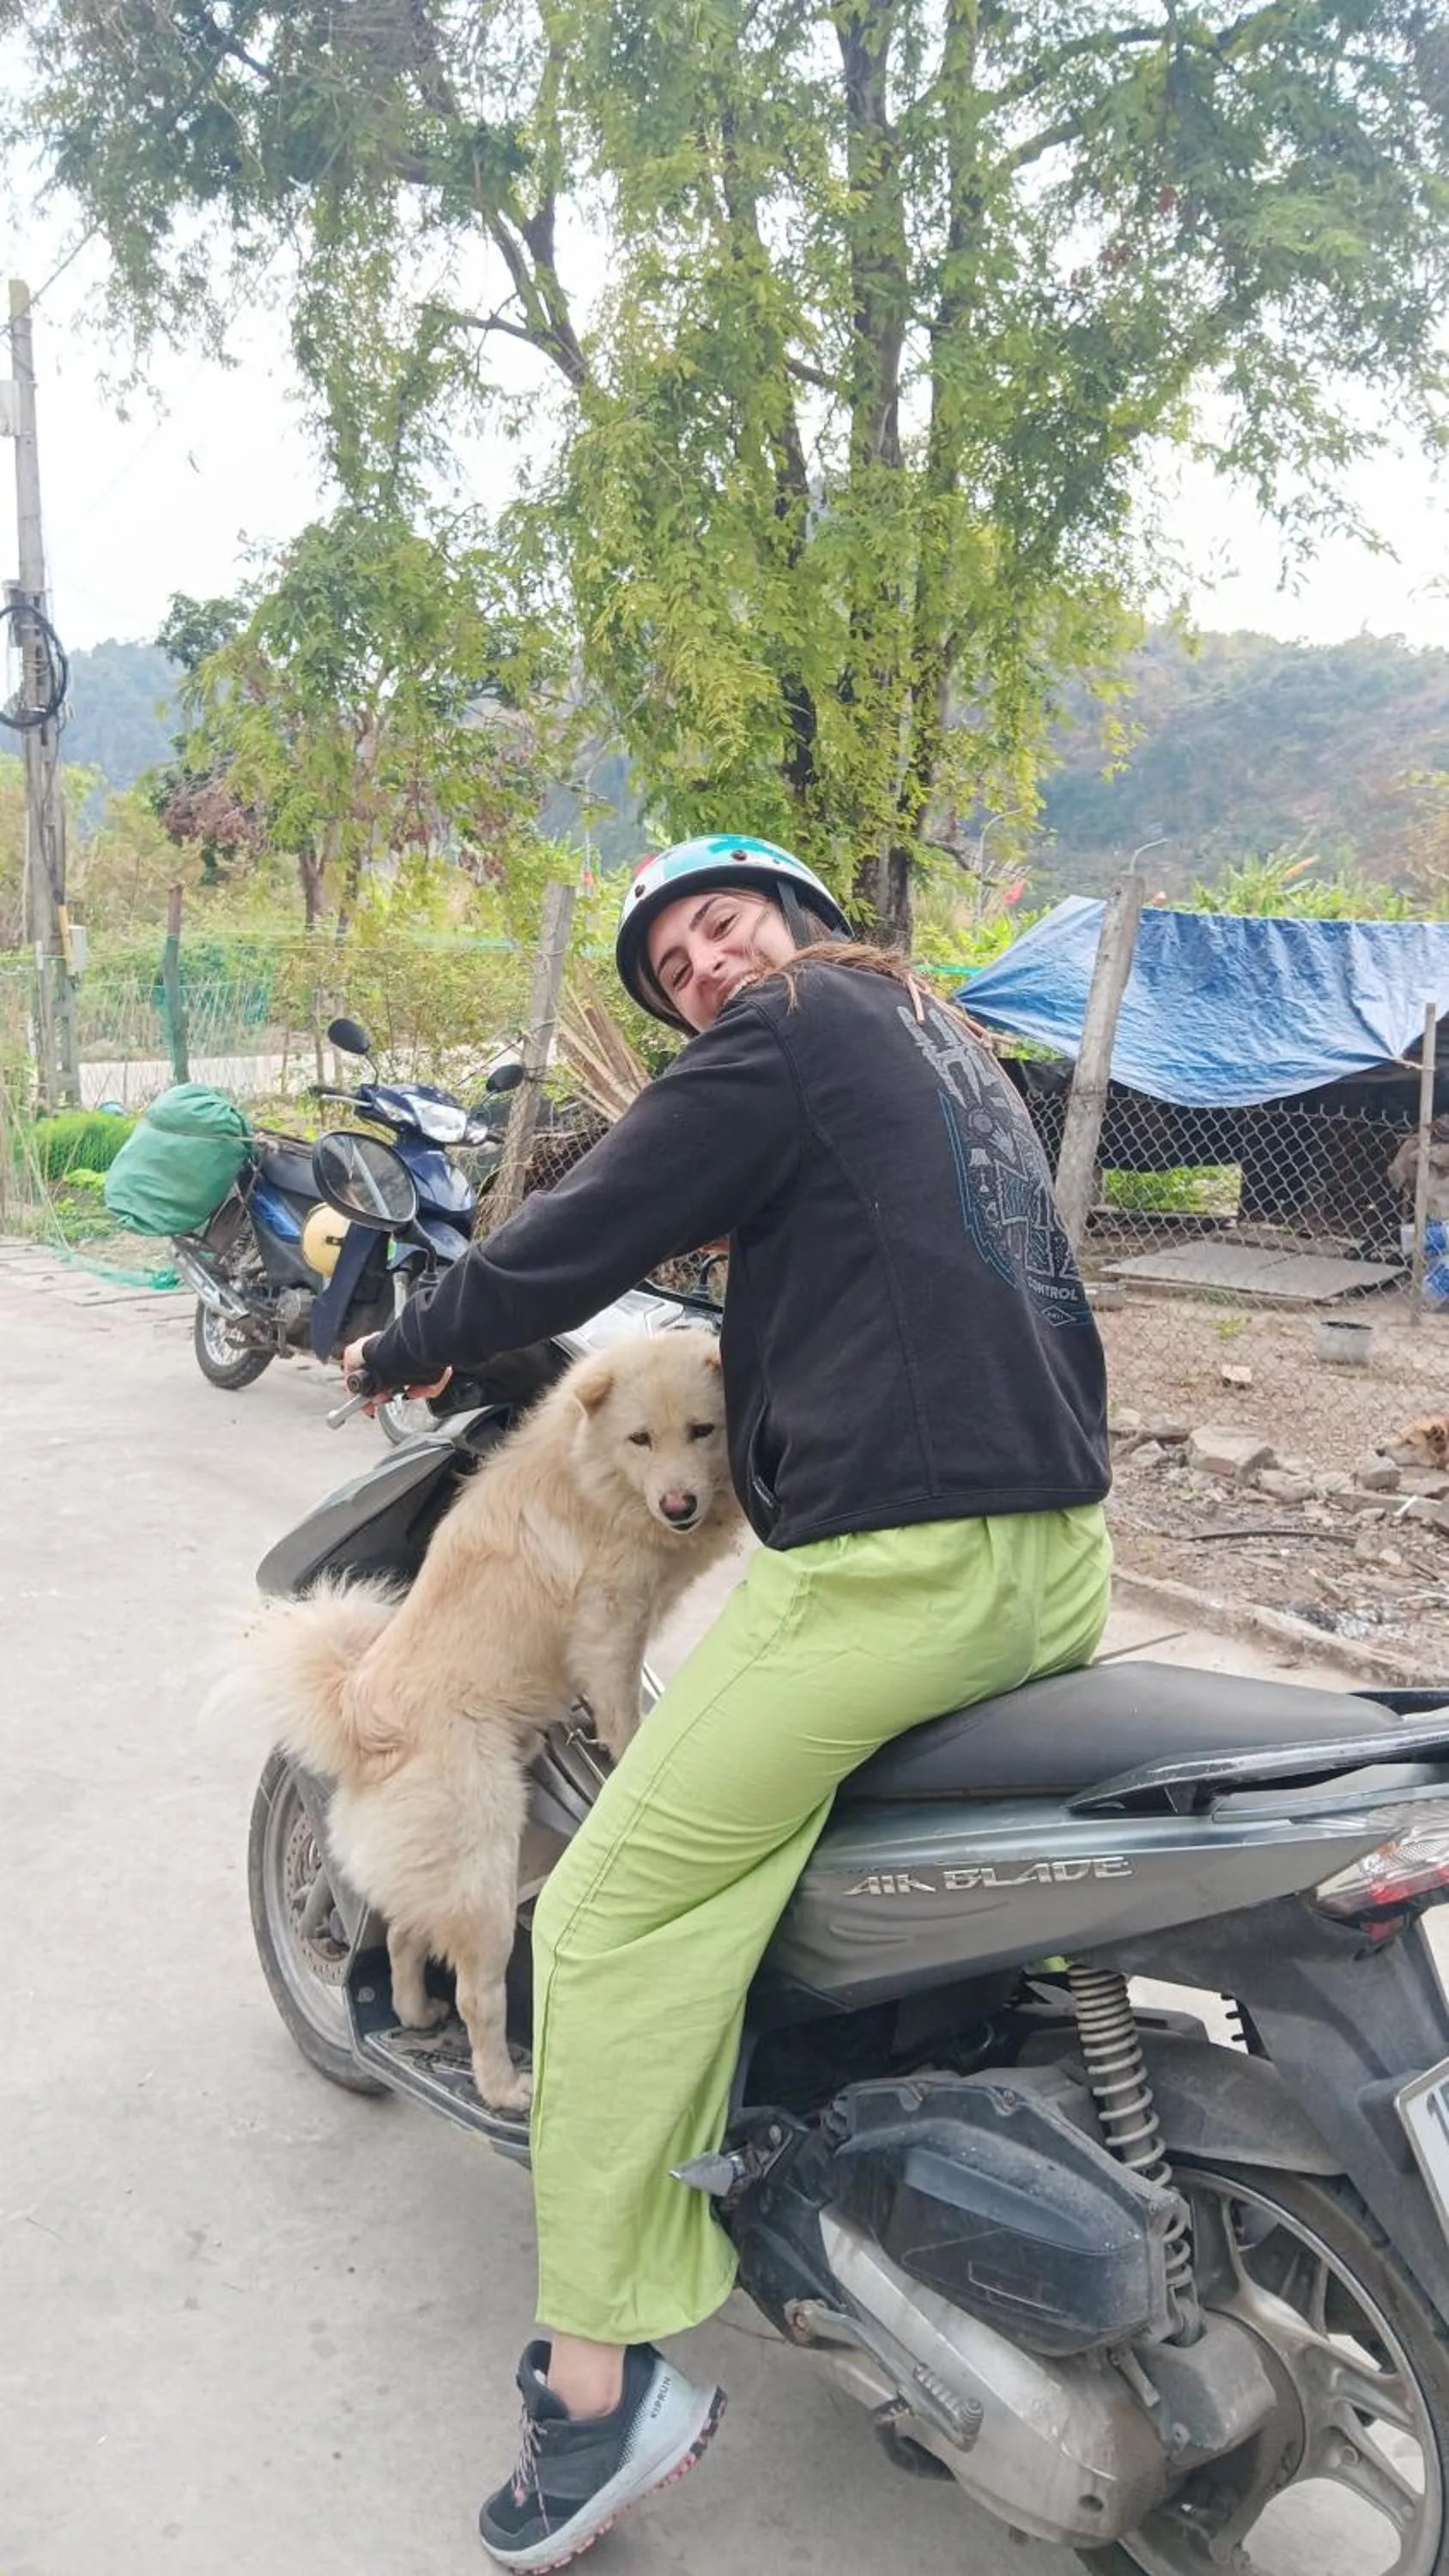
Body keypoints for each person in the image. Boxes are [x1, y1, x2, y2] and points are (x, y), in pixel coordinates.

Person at [344, 832, 1113, 2572]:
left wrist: (409, 1339)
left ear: (799, 929)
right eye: (667, 959)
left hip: (909, 1572)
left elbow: (585, 1221)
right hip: (1050, 1547)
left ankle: (599, 2393)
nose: (696, 962)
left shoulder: (784, 1026)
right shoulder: (929, 1045)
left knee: (610, 1916)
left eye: (717, 923)